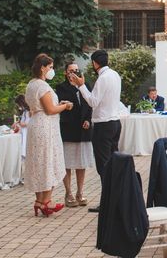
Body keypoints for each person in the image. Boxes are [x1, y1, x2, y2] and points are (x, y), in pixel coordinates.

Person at [68, 49, 122, 213]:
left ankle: (107, 203)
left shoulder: (103, 78)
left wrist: (81, 85)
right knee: (113, 163)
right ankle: (116, 199)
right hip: (115, 123)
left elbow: (93, 102)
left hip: (103, 125)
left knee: (104, 166)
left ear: (95, 63)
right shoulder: (115, 75)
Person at [24, 53, 73, 217]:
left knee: (39, 161)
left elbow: (41, 106)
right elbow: (50, 110)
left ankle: (39, 200)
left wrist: (57, 105)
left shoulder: (31, 84)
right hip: (45, 127)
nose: (52, 70)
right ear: (43, 68)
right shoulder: (43, 86)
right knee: (48, 160)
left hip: (36, 124)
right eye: (50, 67)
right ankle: (46, 201)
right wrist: (65, 106)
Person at [56, 62, 94, 208]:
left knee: (81, 163)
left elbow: (90, 104)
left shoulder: (85, 85)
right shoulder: (61, 87)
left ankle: (80, 192)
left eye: (77, 70)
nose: (74, 72)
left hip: (83, 129)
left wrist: (88, 120)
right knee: (68, 163)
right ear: (66, 73)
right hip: (68, 128)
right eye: (71, 70)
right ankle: (68, 193)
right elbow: (59, 105)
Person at [12, 94, 30, 159]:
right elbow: (22, 120)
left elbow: (29, 122)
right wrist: (17, 122)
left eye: (18, 105)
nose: (18, 106)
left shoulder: (29, 110)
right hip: (23, 130)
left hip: (27, 131)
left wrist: (20, 124)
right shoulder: (24, 111)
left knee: (25, 144)